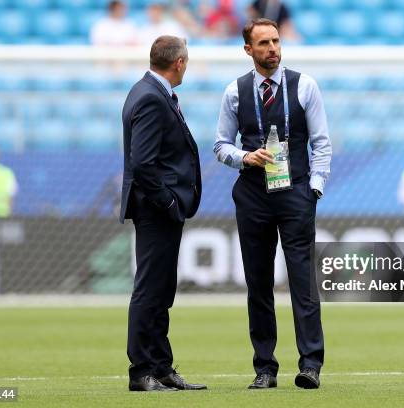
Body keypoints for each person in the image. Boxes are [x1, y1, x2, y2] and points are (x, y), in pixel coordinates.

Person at [213, 18, 331, 390]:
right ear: (248, 49)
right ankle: (265, 368)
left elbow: (322, 143)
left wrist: (313, 188)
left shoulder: (305, 85)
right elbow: (220, 145)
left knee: (302, 283)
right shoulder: (235, 91)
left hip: (295, 193)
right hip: (252, 195)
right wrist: (245, 157)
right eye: (263, 43)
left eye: (276, 41)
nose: (273, 49)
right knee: (258, 284)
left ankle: (310, 364)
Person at [120, 35, 204, 392]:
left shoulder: (146, 91)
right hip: (156, 210)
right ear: (179, 63)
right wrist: (169, 202)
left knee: (161, 288)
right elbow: (143, 163)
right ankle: (141, 371)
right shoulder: (152, 98)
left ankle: (161, 365)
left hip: (158, 208)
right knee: (150, 288)